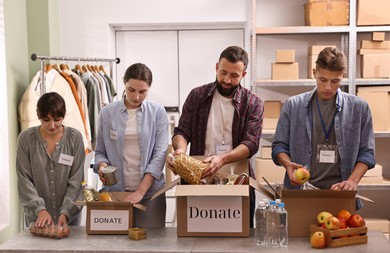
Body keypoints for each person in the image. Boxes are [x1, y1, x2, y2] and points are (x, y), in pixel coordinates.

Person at [168, 46, 264, 227]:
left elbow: (251, 143)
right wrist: (179, 151)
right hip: (198, 178)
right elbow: (182, 132)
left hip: (237, 181)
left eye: (234, 75)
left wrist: (222, 159)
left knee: (239, 245)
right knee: (198, 242)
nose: (227, 80)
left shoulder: (253, 103)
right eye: (223, 72)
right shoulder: (197, 96)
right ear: (216, 67)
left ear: (243, 75)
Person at [271, 46, 375, 209]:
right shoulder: (293, 105)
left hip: (340, 193)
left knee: (339, 235)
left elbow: (367, 153)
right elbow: (279, 146)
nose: (328, 87)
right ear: (314, 72)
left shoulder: (359, 108)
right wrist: (287, 164)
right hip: (300, 194)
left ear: (343, 76)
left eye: (335, 81)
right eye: (323, 79)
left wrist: (352, 181)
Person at [94, 63, 169, 230]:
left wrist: (140, 192)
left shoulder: (158, 113)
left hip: (151, 196)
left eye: (142, 92)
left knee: (150, 250)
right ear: (124, 83)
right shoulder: (107, 113)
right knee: (117, 250)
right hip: (115, 193)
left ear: (149, 88)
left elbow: (159, 156)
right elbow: (99, 152)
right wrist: (102, 166)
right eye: (131, 90)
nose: (136, 96)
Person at [16, 92, 85, 229]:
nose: (52, 125)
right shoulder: (26, 139)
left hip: (69, 219)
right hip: (37, 218)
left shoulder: (75, 138)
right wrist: (40, 210)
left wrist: (66, 212)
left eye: (57, 119)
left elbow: (77, 180)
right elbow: (24, 179)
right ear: (38, 115)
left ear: (64, 114)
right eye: (46, 120)